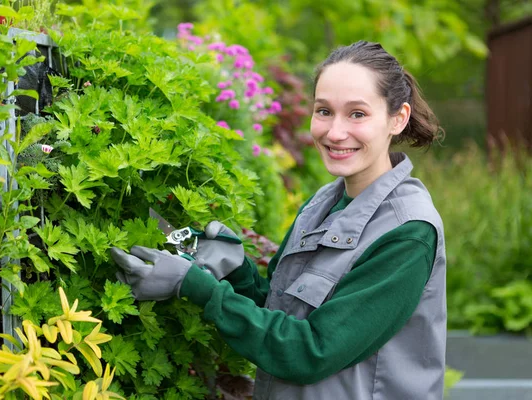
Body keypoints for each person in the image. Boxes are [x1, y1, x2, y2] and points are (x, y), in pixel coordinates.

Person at [111, 40, 447, 400]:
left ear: (398, 118)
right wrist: (237, 273)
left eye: (357, 114)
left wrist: (195, 286)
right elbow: (280, 317)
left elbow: (309, 352)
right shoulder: (322, 204)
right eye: (324, 111)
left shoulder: (407, 233)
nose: (335, 132)